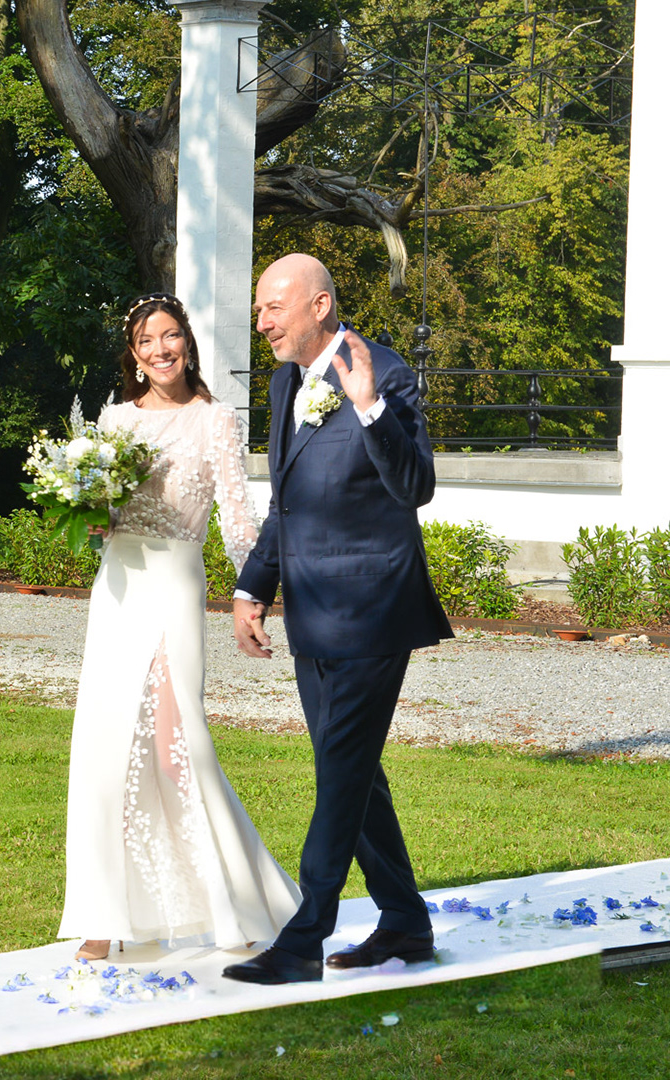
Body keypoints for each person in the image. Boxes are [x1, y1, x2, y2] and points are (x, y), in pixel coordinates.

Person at [220, 254, 452, 986]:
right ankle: (405, 922)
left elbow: (416, 486)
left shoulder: (381, 372)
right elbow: (286, 502)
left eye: (273, 308)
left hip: (374, 610)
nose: (262, 324)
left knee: (341, 774)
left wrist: (367, 408)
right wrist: (253, 587)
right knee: (351, 773)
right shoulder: (287, 379)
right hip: (312, 615)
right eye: (260, 310)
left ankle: (303, 940)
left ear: (320, 305)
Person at [59, 293, 302, 963]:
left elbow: (235, 513)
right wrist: (87, 513)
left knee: (176, 748)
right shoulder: (112, 420)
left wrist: (255, 583)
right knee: (104, 752)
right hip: (118, 588)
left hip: (174, 584)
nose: (161, 350)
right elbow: (94, 508)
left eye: (170, 337)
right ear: (133, 356)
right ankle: (103, 918)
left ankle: (242, 904)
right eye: (147, 342)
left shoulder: (215, 420)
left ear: (186, 343)